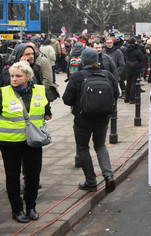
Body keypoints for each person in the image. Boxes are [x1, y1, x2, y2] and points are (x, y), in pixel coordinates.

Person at [0, 61, 52, 223]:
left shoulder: (40, 91)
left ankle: (31, 207)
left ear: (28, 77)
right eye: (12, 76)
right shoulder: (3, 93)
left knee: (32, 175)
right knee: (13, 176)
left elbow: (46, 111)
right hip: (10, 143)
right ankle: (17, 209)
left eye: (18, 76)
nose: (14, 79)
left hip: (33, 142)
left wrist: (46, 114)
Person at [62, 48, 119, 193]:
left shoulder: (77, 76)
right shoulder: (107, 75)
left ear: (82, 60)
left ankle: (91, 181)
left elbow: (66, 100)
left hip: (83, 119)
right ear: (97, 61)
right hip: (103, 118)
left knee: (83, 148)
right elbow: (116, 94)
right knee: (100, 145)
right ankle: (108, 175)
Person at [124, 37, 146, 104]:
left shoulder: (126, 49)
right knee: (134, 83)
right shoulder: (137, 50)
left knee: (128, 83)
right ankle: (132, 98)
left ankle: (126, 98)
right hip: (136, 67)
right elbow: (142, 58)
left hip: (128, 67)